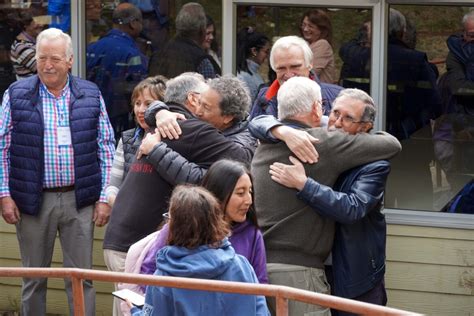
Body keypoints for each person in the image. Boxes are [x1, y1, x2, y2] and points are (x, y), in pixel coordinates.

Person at [250, 76, 401, 315]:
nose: (337, 122)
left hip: (347, 273)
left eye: (348, 118)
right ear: (317, 109)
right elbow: (392, 143)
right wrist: (283, 130)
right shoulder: (323, 143)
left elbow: (353, 207)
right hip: (303, 272)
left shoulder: (264, 145)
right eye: (334, 113)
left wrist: (304, 183)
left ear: (365, 128)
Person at [102, 72, 250, 297]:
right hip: (140, 249)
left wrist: (157, 128)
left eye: (207, 105)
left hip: (121, 241)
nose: (200, 110)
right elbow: (234, 168)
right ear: (192, 99)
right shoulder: (193, 130)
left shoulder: (160, 128)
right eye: (202, 101)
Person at [0, 28, 115, 316]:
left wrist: (103, 198)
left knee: (82, 278)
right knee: (33, 277)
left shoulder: (90, 94)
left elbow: (106, 147)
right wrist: (4, 195)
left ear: (70, 61)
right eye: (42, 58)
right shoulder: (16, 95)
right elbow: (1, 147)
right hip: (32, 201)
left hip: (81, 200)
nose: (47, 65)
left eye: (54, 58)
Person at [129, 185, 269, 316]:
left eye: (169, 218)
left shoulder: (164, 276)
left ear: (175, 226)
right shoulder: (242, 266)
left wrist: (136, 311)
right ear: (215, 222)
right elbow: (262, 312)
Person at [139, 159, 268, 284]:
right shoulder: (181, 225)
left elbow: (260, 285)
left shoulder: (252, 234)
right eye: (240, 193)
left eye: (250, 192)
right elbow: (149, 271)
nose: (249, 200)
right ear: (219, 194)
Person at [104, 75, 166, 316]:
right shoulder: (128, 139)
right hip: (123, 239)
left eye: (148, 103)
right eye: (137, 103)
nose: (141, 109)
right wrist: (121, 204)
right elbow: (111, 186)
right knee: (127, 305)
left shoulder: (173, 140)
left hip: (156, 241)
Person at [140, 74, 257, 185]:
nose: (197, 111)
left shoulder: (239, 147)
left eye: (206, 107)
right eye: (199, 102)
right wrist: (160, 111)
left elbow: (208, 182)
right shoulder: (201, 127)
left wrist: (156, 150)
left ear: (228, 117)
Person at [87, 2, 148, 142]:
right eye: (141, 22)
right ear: (133, 23)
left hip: (92, 119)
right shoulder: (133, 54)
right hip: (119, 122)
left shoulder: (92, 48)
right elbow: (139, 90)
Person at [248, 35, 343, 120]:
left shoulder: (338, 97)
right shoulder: (264, 98)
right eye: (281, 68)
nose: (289, 74)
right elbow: (250, 136)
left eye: (295, 66)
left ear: (310, 64)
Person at [148, 2, 219, 79]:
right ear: (202, 31)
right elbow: (211, 90)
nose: (211, 37)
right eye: (207, 32)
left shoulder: (157, 55)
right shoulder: (202, 61)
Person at [300, 9, 337, 84]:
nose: (305, 29)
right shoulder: (307, 44)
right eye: (304, 25)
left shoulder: (322, 44)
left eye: (310, 26)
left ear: (321, 29)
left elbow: (310, 73)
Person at [236, 27, 271, 103]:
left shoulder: (252, 73)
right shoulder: (244, 77)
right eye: (266, 52)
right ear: (254, 51)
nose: (267, 56)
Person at [10, 11, 43, 80]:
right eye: (36, 22)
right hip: (31, 89)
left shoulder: (35, 41)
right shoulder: (21, 46)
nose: (41, 25)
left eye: (41, 21)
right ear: (26, 25)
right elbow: (43, 69)